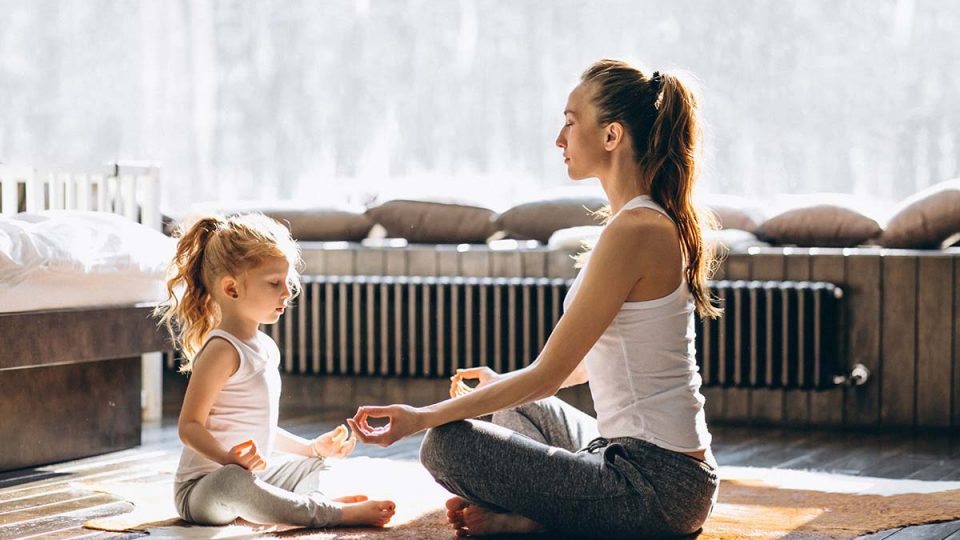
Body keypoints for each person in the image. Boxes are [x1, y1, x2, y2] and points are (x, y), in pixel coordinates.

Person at [348, 58, 722, 538]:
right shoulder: (638, 222)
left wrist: (420, 417)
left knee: (445, 445)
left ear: (611, 136)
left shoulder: (637, 229)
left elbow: (545, 377)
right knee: (515, 406)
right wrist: (502, 384)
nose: (559, 139)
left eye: (570, 122)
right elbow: (589, 363)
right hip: (630, 458)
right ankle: (544, 513)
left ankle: (536, 520)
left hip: (656, 487)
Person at [155, 214, 395, 529]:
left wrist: (310, 448)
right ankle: (328, 512)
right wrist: (229, 459)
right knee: (235, 481)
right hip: (204, 489)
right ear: (231, 288)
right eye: (274, 283)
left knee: (316, 465)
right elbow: (189, 427)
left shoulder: (266, 347)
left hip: (253, 475)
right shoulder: (220, 351)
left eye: (286, 281)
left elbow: (263, 426)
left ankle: (303, 505)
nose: (288, 292)